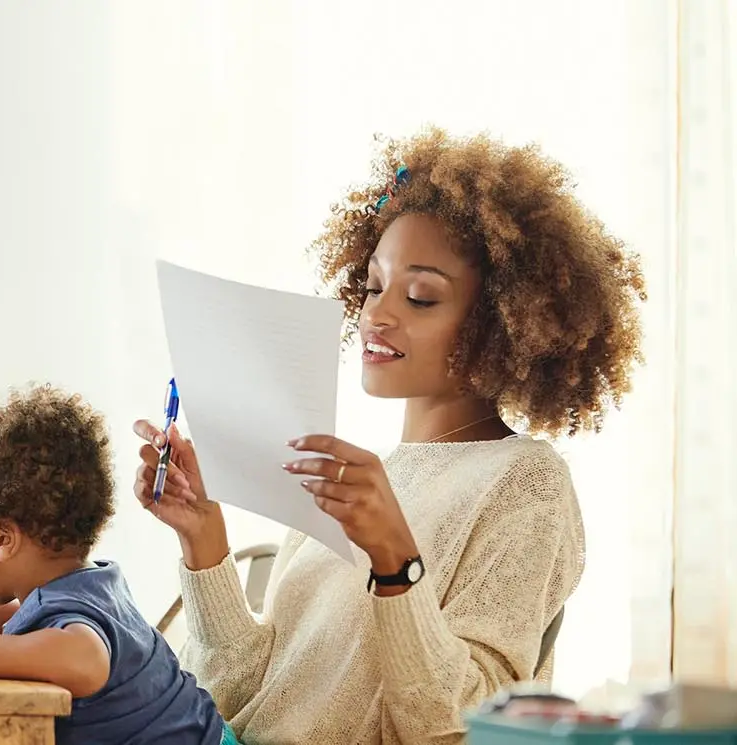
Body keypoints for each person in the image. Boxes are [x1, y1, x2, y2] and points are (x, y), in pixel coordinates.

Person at [133, 126, 646, 744]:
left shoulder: (526, 483)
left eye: (422, 296)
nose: (377, 312)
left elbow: (464, 728)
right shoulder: (360, 478)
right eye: (374, 286)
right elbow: (245, 694)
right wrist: (204, 538)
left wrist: (396, 562)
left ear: (501, 323)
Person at [0, 383, 232, 745]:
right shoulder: (87, 586)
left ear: (4, 540)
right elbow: (12, 629)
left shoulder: (73, 619)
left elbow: (84, 661)